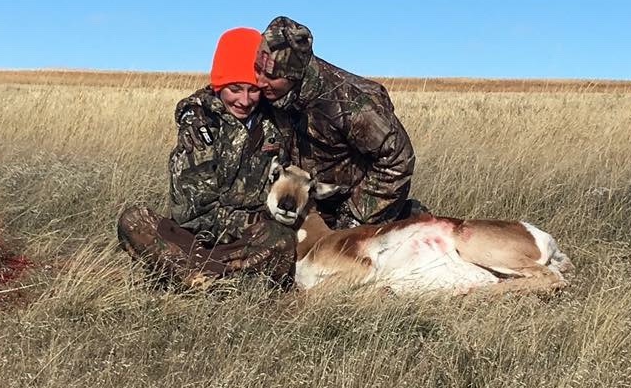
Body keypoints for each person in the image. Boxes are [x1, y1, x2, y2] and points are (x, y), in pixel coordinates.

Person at [117, 27, 297, 287]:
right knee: (133, 221)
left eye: (253, 90)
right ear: (219, 84)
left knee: (282, 239)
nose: (245, 101)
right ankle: (216, 280)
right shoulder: (198, 122)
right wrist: (252, 220)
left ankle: (198, 281)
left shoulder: (276, 120)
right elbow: (194, 214)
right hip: (192, 240)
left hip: (249, 241)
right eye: (234, 88)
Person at [255, 16, 418, 229]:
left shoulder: (350, 104)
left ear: (294, 75)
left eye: (271, 75)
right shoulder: (276, 94)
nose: (259, 81)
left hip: (348, 207)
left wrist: (353, 221)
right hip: (301, 201)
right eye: (258, 69)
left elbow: (398, 160)